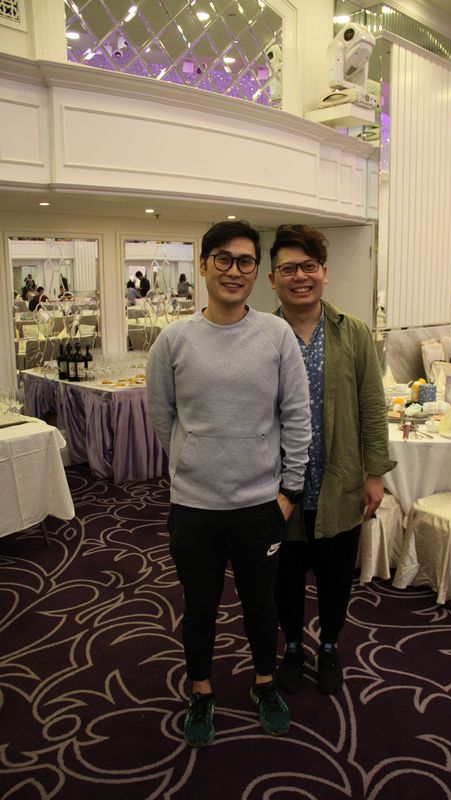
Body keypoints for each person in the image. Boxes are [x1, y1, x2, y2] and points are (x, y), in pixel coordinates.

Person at [146, 220, 312, 748]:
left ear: (257, 272)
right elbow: (162, 416)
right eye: (223, 258)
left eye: (245, 261)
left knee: (261, 604)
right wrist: (191, 463)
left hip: (260, 504)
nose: (234, 270)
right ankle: (201, 691)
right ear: (203, 266)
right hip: (194, 505)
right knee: (199, 607)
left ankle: (264, 684)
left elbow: (297, 415)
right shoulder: (173, 340)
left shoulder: (276, 336)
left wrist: (289, 491)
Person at [268, 224, 396, 696]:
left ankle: (328, 645)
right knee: (283, 578)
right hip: (278, 489)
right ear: (272, 278)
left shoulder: (353, 332)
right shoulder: (260, 334)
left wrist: (375, 472)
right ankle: (292, 646)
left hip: (337, 482)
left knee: (336, 576)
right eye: (288, 269)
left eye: (309, 267)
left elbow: (372, 406)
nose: (300, 277)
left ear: (325, 272)